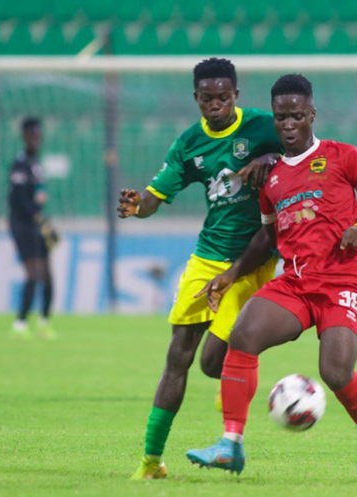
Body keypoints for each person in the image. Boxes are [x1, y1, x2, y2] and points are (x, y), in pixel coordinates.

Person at [186, 74, 357, 483]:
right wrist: (232, 273)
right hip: (296, 282)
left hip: (343, 282)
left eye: (297, 116)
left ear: (312, 114)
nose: (289, 125)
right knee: (242, 334)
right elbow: (268, 235)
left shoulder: (343, 155)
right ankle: (231, 444)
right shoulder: (270, 176)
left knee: (335, 373)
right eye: (282, 118)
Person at [117, 58, 282, 480]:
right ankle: (151, 461)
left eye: (223, 97)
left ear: (236, 96)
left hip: (253, 262)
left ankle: (234, 389)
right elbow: (157, 194)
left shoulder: (264, 126)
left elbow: (299, 148)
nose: (215, 105)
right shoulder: (189, 144)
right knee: (178, 356)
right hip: (207, 257)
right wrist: (141, 208)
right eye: (207, 98)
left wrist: (268, 155)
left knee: (213, 363)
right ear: (196, 98)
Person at [8, 116, 57, 340]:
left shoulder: (35, 164)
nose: (37, 138)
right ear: (25, 136)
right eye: (33, 134)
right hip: (22, 225)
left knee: (47, 274)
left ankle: (44, 323)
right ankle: (20, 323)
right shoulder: (20, 164)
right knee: (34, 273)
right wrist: (39, 218)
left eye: (39, 134)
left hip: (36, 223)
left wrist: (43, 220)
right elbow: (17, 199)